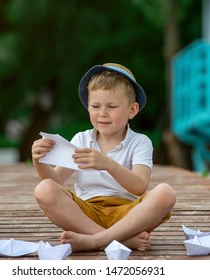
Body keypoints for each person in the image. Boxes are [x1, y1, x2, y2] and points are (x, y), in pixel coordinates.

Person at [31, 63, 176, 252]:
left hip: (129, 216)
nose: (102, 113)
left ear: (132, 110)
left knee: (166, 193)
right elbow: (56, 181)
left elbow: (139, 187)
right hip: (86, 214)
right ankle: (118, 241)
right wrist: (38, 161)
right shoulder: (81, 139)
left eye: (112, 106)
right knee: (44, 190)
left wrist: (107, 164)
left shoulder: (141, 142)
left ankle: (96, 241)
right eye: (95, 106)